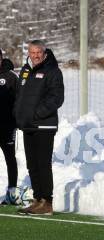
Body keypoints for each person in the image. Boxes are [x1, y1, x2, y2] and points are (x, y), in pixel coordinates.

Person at [15, 40, 64, 215]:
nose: (35, 55)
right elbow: (20, 97)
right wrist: (18, 115)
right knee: (32, 164)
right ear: (28, 53)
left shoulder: (52, 71)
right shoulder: (25, 70)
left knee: (43, 164)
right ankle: (37, 199)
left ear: (44, 53)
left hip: (44, 125)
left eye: (38, 52)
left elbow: (57, 98)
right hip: (28, 125)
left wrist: (37, 114)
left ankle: (47, 202)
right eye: (32, 52)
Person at [0, 49, 18, 203]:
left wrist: (15, 122)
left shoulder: (11, 77)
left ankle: (12, 193)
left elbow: (20, 101)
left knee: (10, 159)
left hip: (7, 127)